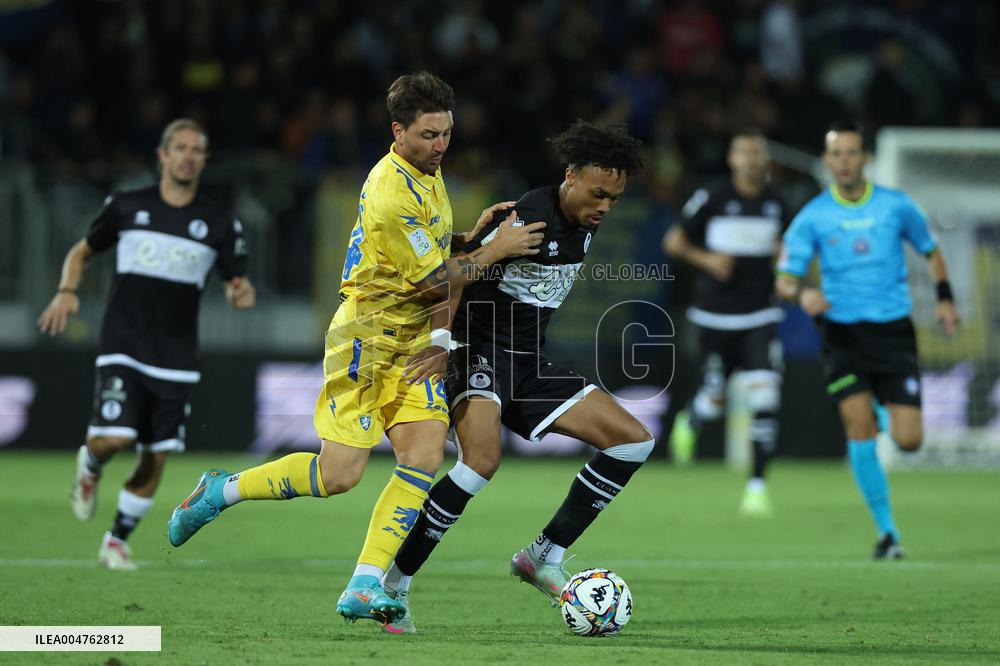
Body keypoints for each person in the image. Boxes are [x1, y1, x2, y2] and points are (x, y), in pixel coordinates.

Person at [165, 71, 545, 625]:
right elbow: (433, 281)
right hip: (365, 338)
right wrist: (498, 249)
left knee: (423, 456)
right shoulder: (390, 189)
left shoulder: (427, 172)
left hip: (412, 341)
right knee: (338, 475)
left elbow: (425, 249)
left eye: (446, 133)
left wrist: (471, 236)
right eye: (429, 135)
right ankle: (222, 491)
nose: (440, 145)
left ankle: (363, 585)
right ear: (398, 132)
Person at [378, 120, 652, 634]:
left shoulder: (585, 220)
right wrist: (441, 343)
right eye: (597, 194)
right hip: (477, 352)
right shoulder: (529, 217)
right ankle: (393, 586)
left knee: (632, 442)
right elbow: (453, 272)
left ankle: (543, 556)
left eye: (614, 199)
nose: (605, 207)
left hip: (527, 361)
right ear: (569, 176)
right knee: (480, 462)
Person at [37, 118, 257, 570]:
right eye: (180, 148)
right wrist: (66, 290)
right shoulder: (126, 206)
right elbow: (82, 251)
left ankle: (116, 541)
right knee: (114, 438)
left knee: (156, 455)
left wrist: (241, 294)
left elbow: (238, 283)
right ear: (162, 155)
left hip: (177, 357)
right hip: (124, 344)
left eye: (196, 150)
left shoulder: (219, 223)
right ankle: (90, 464)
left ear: (204, 159)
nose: (188, 156)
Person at [776, 123, 959, 559]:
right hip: (842, 335)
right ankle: (887, 534)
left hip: (893, 333)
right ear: (827, 161)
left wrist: (945, 299)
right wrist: (803, 294)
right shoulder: (813, 216)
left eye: (851, 152)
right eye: (836, 153)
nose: (844, 161)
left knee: (909, 441)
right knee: (858, 429)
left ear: (866, 158)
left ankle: (879, 408)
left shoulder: (897, 205)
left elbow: (931, 250)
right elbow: (785, 278)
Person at [663, 129, 791, 517]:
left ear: (766, 159)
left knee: (765, 396)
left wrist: (786, 264)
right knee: (715, 399)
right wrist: (707, 260)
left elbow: (790, 250)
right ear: (732, 159)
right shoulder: (713, 197)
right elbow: (674, 241)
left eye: (757, 152)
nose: (751, 159)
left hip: (761, 315)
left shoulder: (778, 203)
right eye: (744, 152)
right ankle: (693, 417)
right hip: (714, 316)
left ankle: (757, 487)